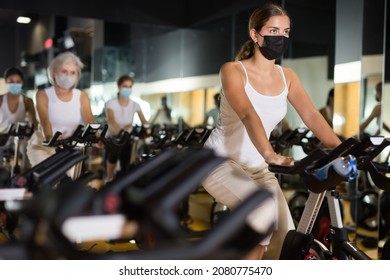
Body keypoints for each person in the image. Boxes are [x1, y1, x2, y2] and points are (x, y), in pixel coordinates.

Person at [201, 3, 341, 260]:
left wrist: (342, 148)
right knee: (262, 213)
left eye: (286, 31)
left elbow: (311, 116)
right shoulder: (233, 70)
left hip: (258, 168)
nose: (281, 37)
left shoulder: (287, 76)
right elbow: (247, 113)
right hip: (219, 163)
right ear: (255, 35)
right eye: (273, 30)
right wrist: (271, 155)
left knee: (285, 238)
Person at [27, 51, 95, 171]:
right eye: (64, 71)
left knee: (69, 184)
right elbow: (44, 120)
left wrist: (97, 137)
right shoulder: (43, 94)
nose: (68, 76)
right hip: (43, 146)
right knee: (48, 180)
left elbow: (89, 119)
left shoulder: (81, 96)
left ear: (77, 76)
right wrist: (50, 138)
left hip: (69, 146)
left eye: (72, 73)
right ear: (54, 72)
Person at [104, 74, 148, 182]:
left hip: (128, 137)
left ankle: (124, 185)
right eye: (125, 86)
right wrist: (120, 132)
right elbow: (111, 119)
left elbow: (144, 120)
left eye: (130, 86)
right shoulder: (111, 103)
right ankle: (108, 179)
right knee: (112, 158)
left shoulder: (135, 104)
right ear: (119, 87)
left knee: (126, 163)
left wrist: (148, 127)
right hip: (114, 136)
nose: (127, 89)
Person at [0, 67, 38, 172]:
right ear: (6, 81)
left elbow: (33, 121)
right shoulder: (1, 99)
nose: (14, 84)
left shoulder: (27, 101)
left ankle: (23, 177)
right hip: (2, 136)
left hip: (19, 137)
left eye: (18, 82)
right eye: (11, 81)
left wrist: (35, 133)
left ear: (22, 82)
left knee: (29, 149)